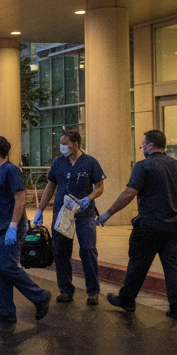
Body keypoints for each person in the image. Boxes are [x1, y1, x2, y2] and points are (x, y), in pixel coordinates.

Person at [97, 129, 177, 320]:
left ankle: (127, 300)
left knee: (138, 264)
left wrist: (107, 214)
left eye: (143, 144)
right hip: (175, 227)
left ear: (150, 145)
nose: (142, 147)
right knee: (173, 267)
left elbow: (129, 193)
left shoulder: (144, 166)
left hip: (148, 226)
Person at [32, 129, 105, 305]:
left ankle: (93, 291)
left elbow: (100, 186)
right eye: (61, 142)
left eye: (65, 143)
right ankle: (65, 289)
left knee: (88, 250)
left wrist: (90, 198)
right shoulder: (58, 162)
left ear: (75, 144)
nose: (62, 146)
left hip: (84, 214)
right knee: (61, 251)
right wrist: (40, 209)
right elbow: (50, 186)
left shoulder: (90, 163)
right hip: (62, 214)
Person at [0, 134, 51, 323]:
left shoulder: (11, 170)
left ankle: (40, 296)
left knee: (8, 266)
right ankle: (6, 309)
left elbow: (20, 199)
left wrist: (13, 226)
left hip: (10, 228)